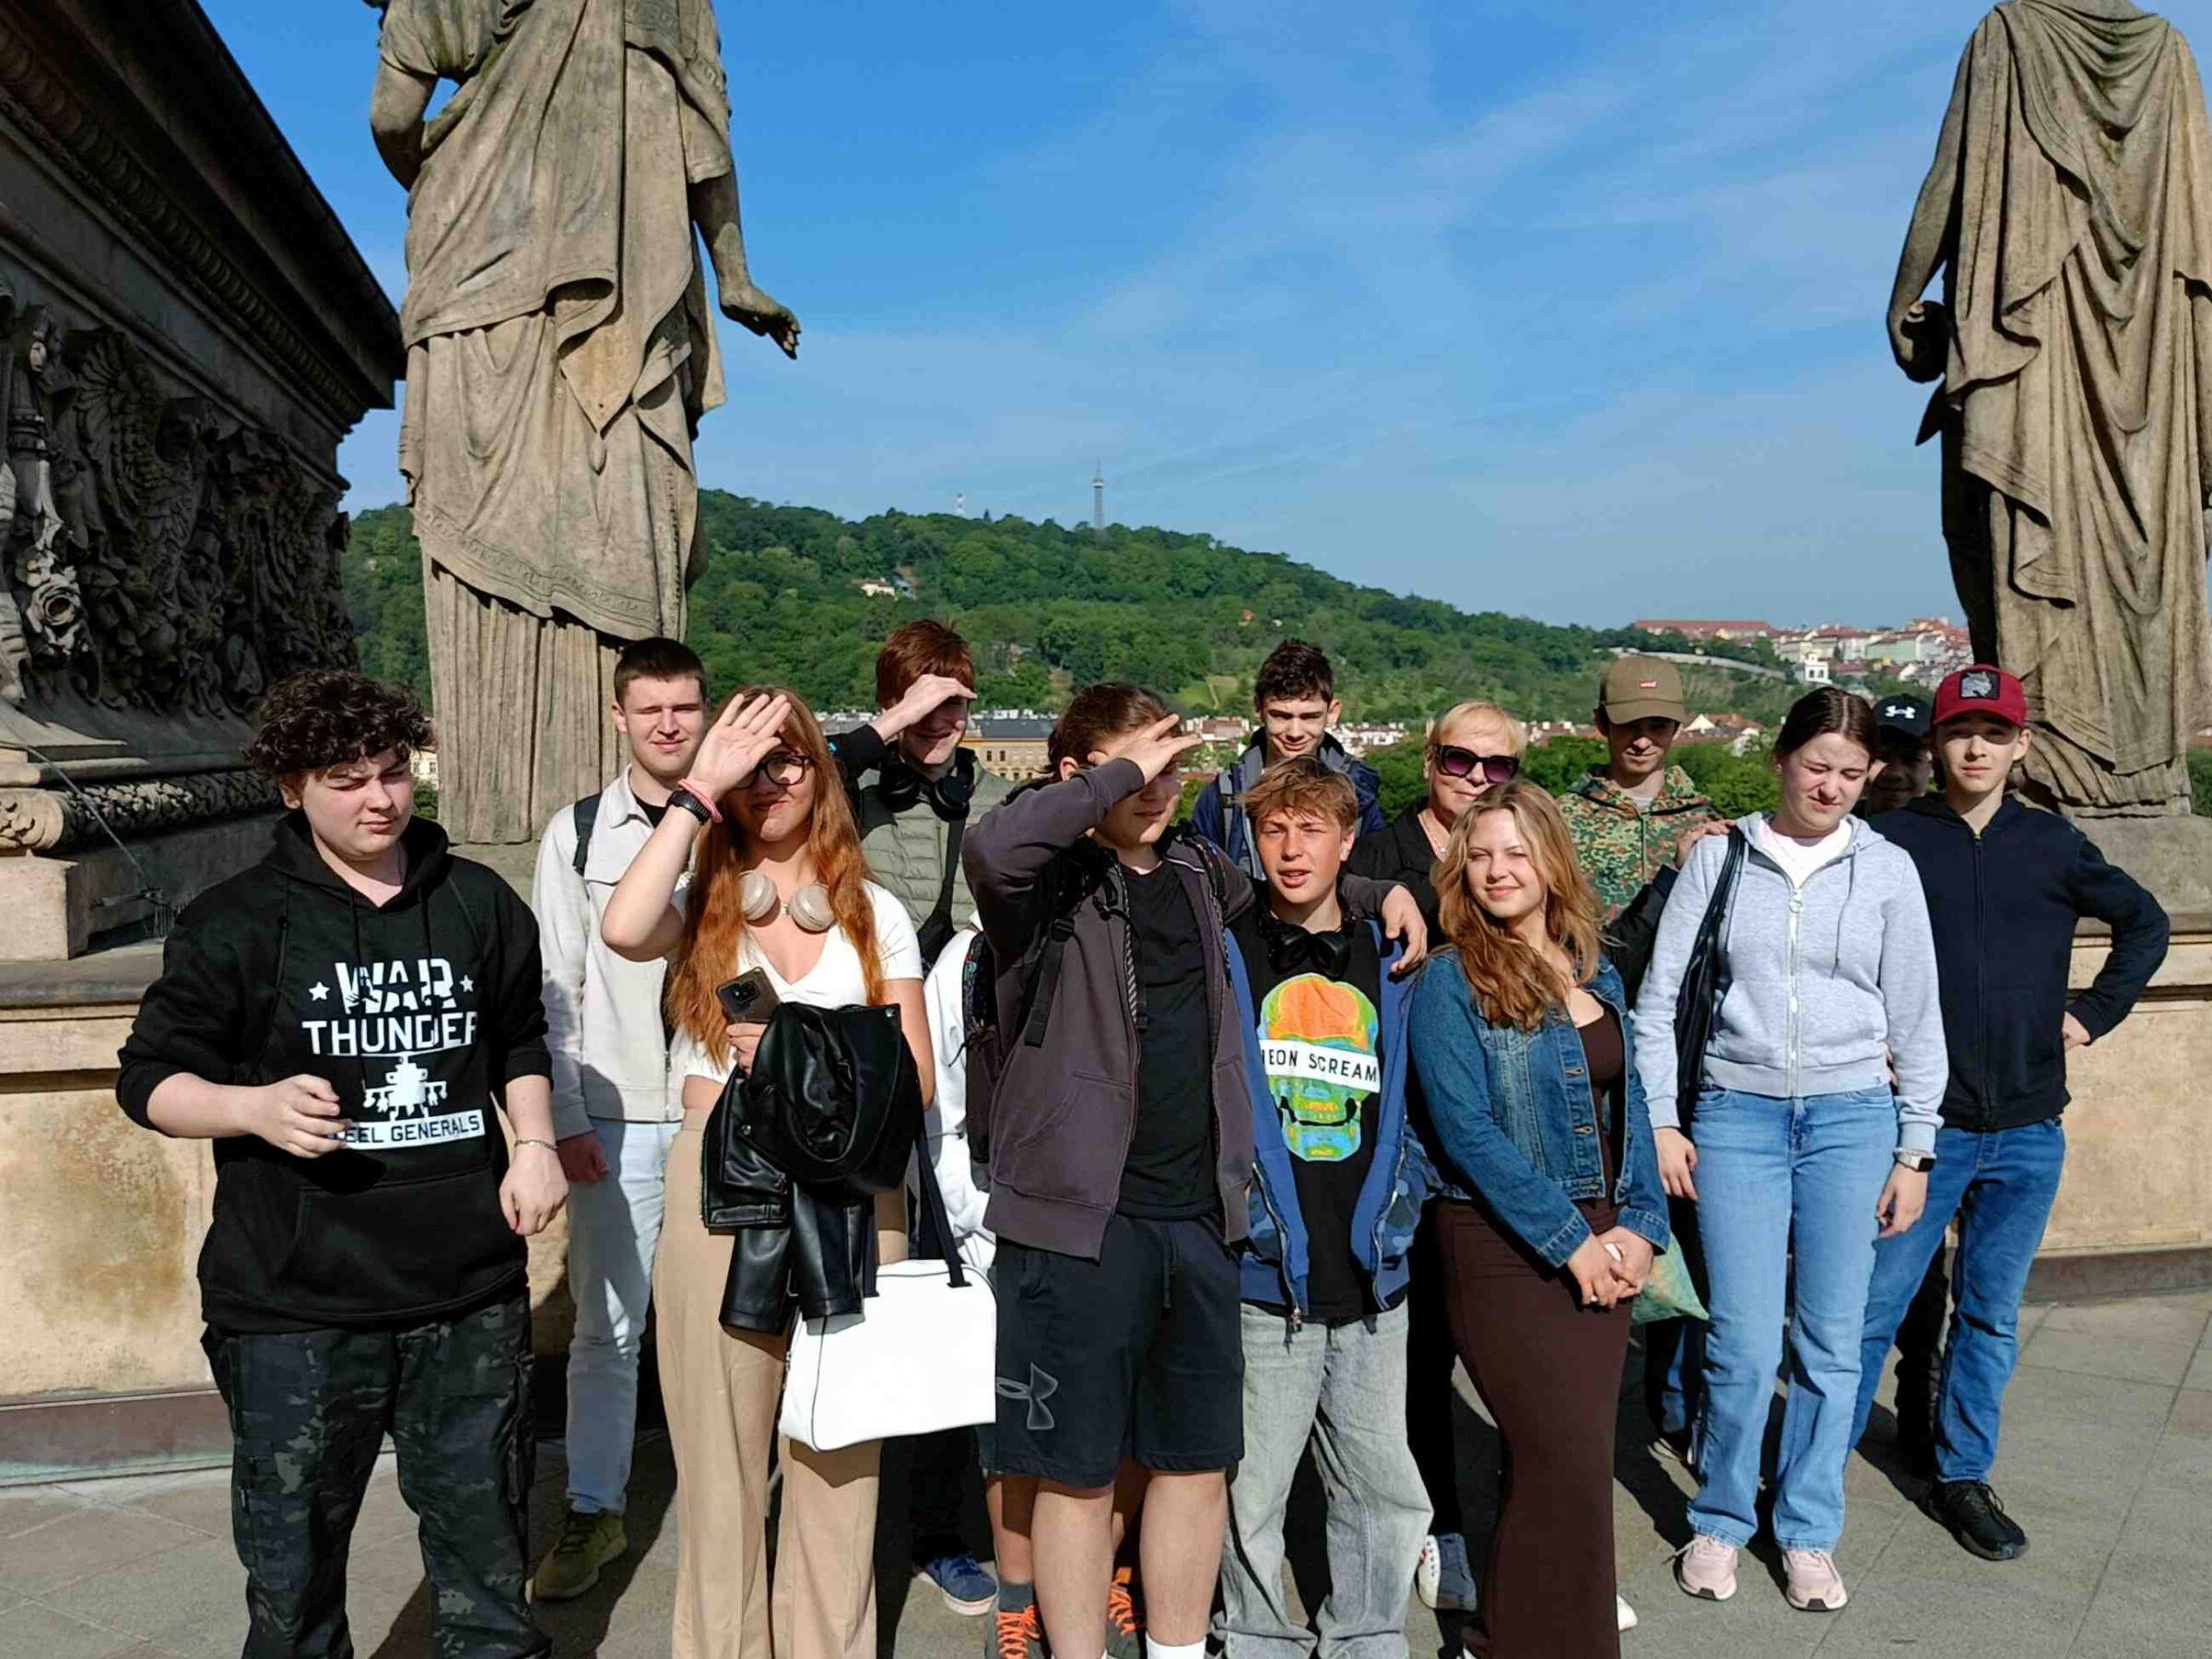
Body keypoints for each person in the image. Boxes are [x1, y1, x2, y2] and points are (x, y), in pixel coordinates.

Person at [962, 685, 1426, 1659]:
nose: (1154, 786)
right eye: (1131, 768)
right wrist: (1114, 777)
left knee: (1193, 1465)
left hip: (1201, 1217)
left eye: (1170, 767)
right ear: (1075, 776)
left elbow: (1300, 890)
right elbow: (992, 850)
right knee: (1077, 1473)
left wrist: (1380, 891)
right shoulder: (1044, 884)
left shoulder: (1200, 872)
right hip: (1078, 1222)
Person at [115, 668, 564, 1659]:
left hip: (468, 1292)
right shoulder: (235, 919)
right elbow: (146, 1080)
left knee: (490, 1568)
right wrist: (251, 1106)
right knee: (294, 1584)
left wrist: (533, 1143)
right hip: (296, 1308)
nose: (380, 800)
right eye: (346, 780)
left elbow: (519, 1037)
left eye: (393, 772)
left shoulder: (478, 901)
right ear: (293, 789)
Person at [600, 688, 930, 1659]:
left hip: (853, 1185)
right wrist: (696, 790)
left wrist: (797, 1046)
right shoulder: (700, 902)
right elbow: (621, 928)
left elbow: (914, 1077)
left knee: (841, 1453)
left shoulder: (873, 912)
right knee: (719, 1464)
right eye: (751, 765)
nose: (771, 781)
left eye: (789, 760)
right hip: (723, 1174)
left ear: (821, 773)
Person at [1634, 687, 1947, 1613]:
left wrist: (1916, 1150)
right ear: (1781, 760)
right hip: (1739, 1115)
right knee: (1738, 1337)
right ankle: (1723, 1517)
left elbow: (1918, 1018)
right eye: (1817, 767)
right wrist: (1663, 1120)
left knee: (1831, 1340)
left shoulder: (1887, 870)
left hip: (1854, 1119)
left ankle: (1808, 1528)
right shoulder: (1721, 857)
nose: (1832, 787)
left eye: (1852, 773)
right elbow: (1657, 1002)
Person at [1847, 666, 2169, 1559]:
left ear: (2021, 746)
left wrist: (2091, 1013)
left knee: (1989, 1314)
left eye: (1994, 734)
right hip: (1923, 1130)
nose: (1976, 749)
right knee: (1873, 1305)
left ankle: (1962, 1477)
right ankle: (1812, 1467)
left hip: (2028, 1128)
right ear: (1937, 744)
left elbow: (2146, 924)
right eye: (1961, 733)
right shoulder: (1891, 840)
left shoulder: (2051, 843)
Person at [1408, 779, 1670, 1659]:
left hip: (1607, 1236)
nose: (1497, 870)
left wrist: (1641, 1225)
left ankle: (1526, 1639)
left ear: (1552, 861)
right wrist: (1570, 1241)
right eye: (1480, 855)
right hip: (1499, 1244)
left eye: (1516, 852)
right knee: (1556, 1455)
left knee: (1576, 1467)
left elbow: (1632, 1104)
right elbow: (1465, 1131)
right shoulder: (1450, 979)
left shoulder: (1599, 973)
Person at [1217, 759, 1430, 1659]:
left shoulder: (1397, 955)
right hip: (1266, 1265)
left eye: (1312, 829)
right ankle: (1256, 1636)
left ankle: (1368, 1635)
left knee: (1382, 1482)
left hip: (1373, 1259)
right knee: (1252, 1485)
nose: (1292, 848)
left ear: (1349, 842)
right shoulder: (1225, 945)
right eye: (1274, 829)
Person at [822, 618, 1011, 1614]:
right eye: (923, 699)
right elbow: (776, 784)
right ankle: (839, 1526)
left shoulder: (990, 794)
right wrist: (886, 730)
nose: (944, 718)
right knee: (854, 1295)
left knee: (951, 1289)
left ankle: (946, 1527)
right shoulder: (847, 786)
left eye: (957, 699)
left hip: (960, 1063)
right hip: (857, 1061)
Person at [525, 638, 708, 1599]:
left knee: (734, 1322)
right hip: (619, 1111)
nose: (669, 725)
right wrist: (565, 1116)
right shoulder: (581, 831)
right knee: (607, 1328)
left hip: (720, 1108)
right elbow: (554, 985)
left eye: (685, 707)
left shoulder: (741, 818)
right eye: (651, 709)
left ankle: (731, 1511)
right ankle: (595, 1509)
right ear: (619, 716)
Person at [1347, 700, 1527, 1611]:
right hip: (1404, 1135)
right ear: (1429, 759)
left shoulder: (1514, 855)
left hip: (1506, 1129)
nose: (1477, 778)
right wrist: (1373, 893)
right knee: (1420, 1355)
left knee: (1512, 1355)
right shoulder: (1383, 858)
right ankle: (1439, 1528)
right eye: (1461, 760)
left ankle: (1538, 1549)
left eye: (1499, 767)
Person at [1557, 658, 1723, 1461]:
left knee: (1689, 1233)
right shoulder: (1564, 821)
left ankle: (1676, 1405)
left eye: (1658, 726)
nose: (1643, 740)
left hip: (1687, 1060)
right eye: (1629, 725)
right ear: (1602, 726)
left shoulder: (1716, 823)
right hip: (1590, 1052)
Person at [1192, 640, 1384, 880]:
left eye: (1310, 717)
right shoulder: (1223, 797)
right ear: (1258, 709)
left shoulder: (1360, 793)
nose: (1295, 732)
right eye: (1281, 716)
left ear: (1332, 712)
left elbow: (1374, 880)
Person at [1861, 693, 1935, 820]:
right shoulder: (1836, 825)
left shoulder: (1948, 831)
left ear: (1932, 766)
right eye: (1882, 757)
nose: (1895, 774)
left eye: (1911, 759)